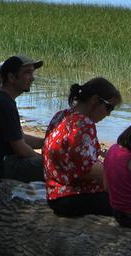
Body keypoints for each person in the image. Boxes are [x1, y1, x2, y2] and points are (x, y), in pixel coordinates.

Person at [42, 77, 121, 217]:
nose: (108, 114)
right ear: (95, 100)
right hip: (73, 197)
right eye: (109, 107)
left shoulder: (61, 115)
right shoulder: (84, 125)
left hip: (54, 194)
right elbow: (87, 169)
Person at [0, 54, 45, 183]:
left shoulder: (1, 98)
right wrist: (46, 162)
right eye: (28, 73)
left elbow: (19, 137)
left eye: (32, 73)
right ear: (11, 77)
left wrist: (47, 143)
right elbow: (21, 149)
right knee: (60, 169)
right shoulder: (3, 103)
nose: (32, 78)